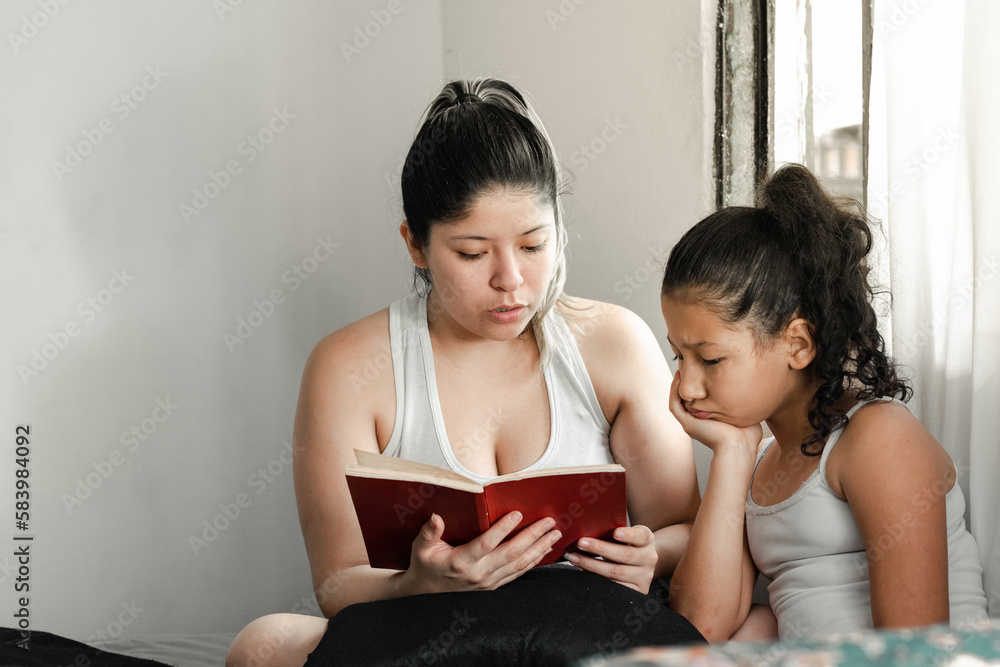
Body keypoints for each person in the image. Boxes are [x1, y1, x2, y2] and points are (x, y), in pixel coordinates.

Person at [226, 78, 702, 667]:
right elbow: (337, 584)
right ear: (416, 246)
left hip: (581, 627)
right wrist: (414, 584)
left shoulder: (611, 343)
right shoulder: (348, 365)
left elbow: (684, 527)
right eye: (473, 253)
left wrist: (650, 551)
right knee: (262, 644)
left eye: (533, 245)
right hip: (432, 630)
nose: (510, 280)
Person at [661, 164, 990, 643]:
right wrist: (732, 454)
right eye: (678, 355)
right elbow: (702, 628)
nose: (687, 386)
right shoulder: (757, 461)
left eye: (710, 359)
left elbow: (916, 650)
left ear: (797, 344)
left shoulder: (877, 437)